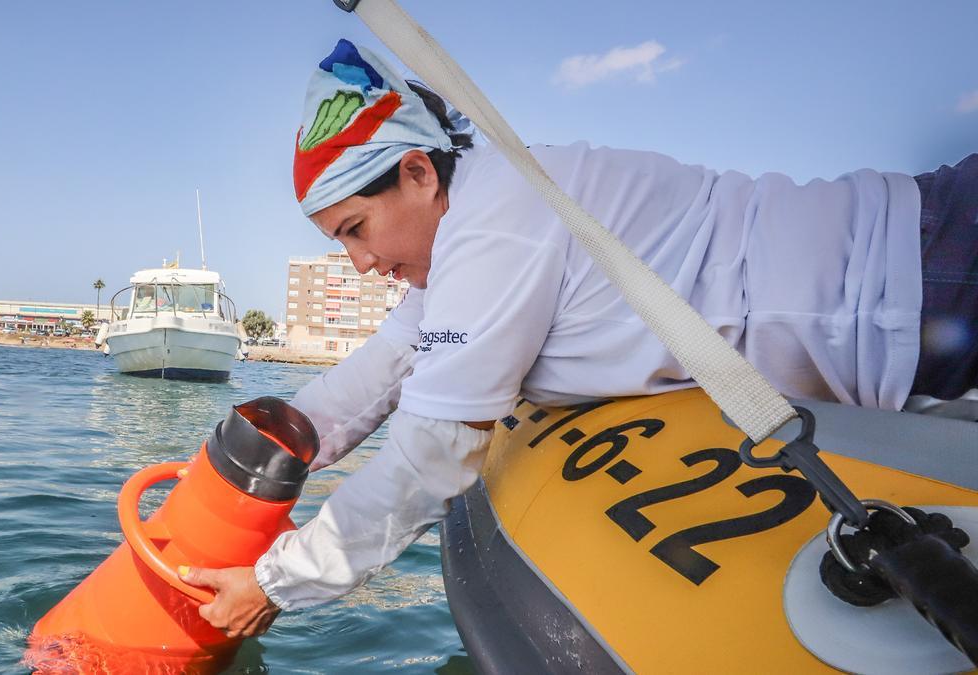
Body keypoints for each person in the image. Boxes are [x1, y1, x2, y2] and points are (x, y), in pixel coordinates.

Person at [179, 39, 977, 637]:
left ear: (419, 173)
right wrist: (231, 479)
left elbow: (435, 452)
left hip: (920, 273)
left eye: (355, 229)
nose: (358, 262)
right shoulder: (471, 227)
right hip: (917, 265)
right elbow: (377, 372)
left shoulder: (496, 224)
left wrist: (277, 582)